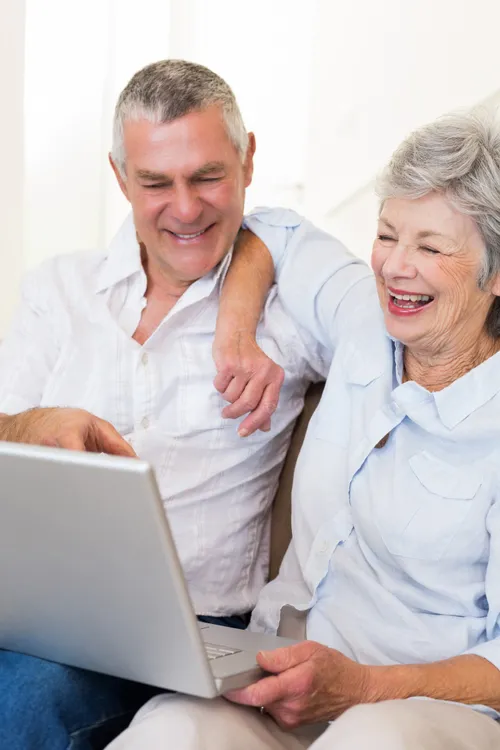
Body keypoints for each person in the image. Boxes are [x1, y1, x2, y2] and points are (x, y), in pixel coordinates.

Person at [0, 60, 366, 750]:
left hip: (199, 635)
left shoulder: (291, 310)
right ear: (119, 179)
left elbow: (386, 317)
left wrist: (238, 310)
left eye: (207, 176)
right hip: (44, 617)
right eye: (155, 182)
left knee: (23, 703)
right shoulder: (59, 288)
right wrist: (29, 425)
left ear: (249, 159)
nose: (187, 207)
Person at [106, 109, 500, 748]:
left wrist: (365, 688)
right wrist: (236, 338)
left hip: (423, 710)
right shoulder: (362, 320)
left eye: (430, 248)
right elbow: (273, 232)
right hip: (282, 679)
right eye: (387, 234)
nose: (395, 267)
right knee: (171, 731)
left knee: (370, 739)